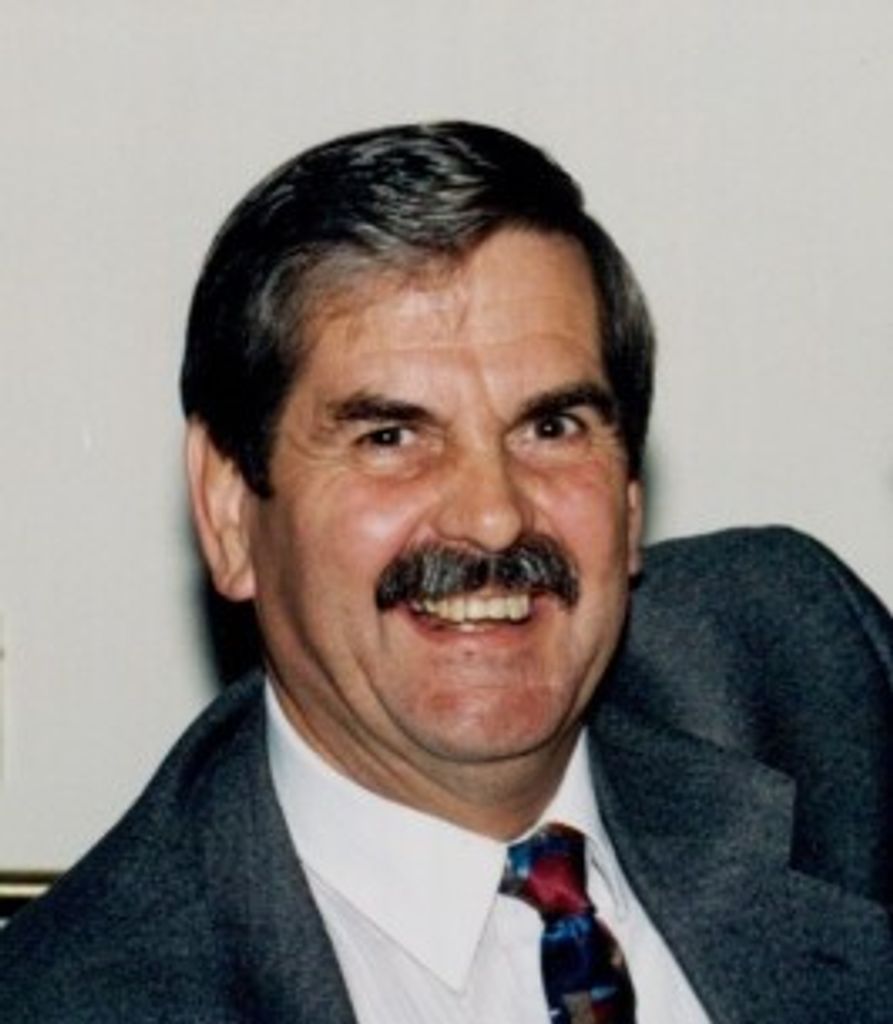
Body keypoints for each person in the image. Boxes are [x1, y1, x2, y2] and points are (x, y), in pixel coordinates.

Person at [0, 121, 890, 1023]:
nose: (492, 515)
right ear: (230, 510)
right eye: (391, 437)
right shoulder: (81, 997)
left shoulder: (808, 683)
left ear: (629, 496)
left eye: (551, 428)